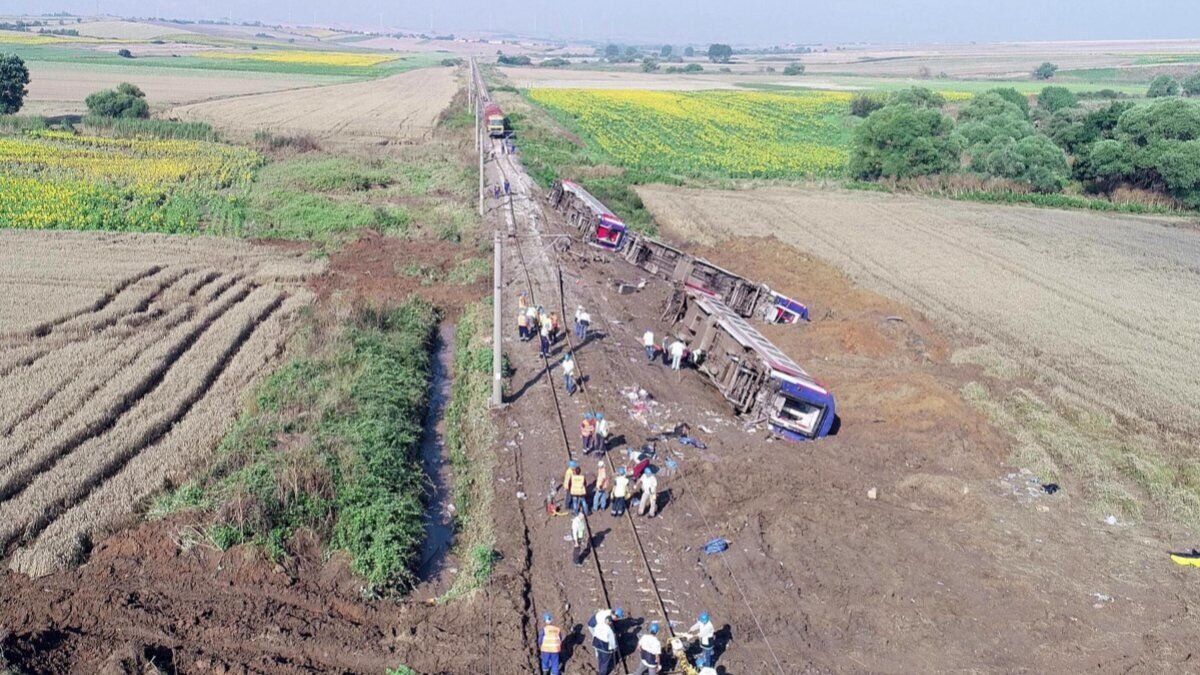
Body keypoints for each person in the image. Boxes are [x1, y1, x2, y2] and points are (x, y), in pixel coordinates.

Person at [588, 608, 623, 675]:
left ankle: (598, 657)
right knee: (605, 662)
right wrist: (614, 649)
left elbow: (595, 635)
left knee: (601, 659)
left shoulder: (599, 625)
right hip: (605, 648)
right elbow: (613, 644)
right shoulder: (609, 631)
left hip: (597, 644)